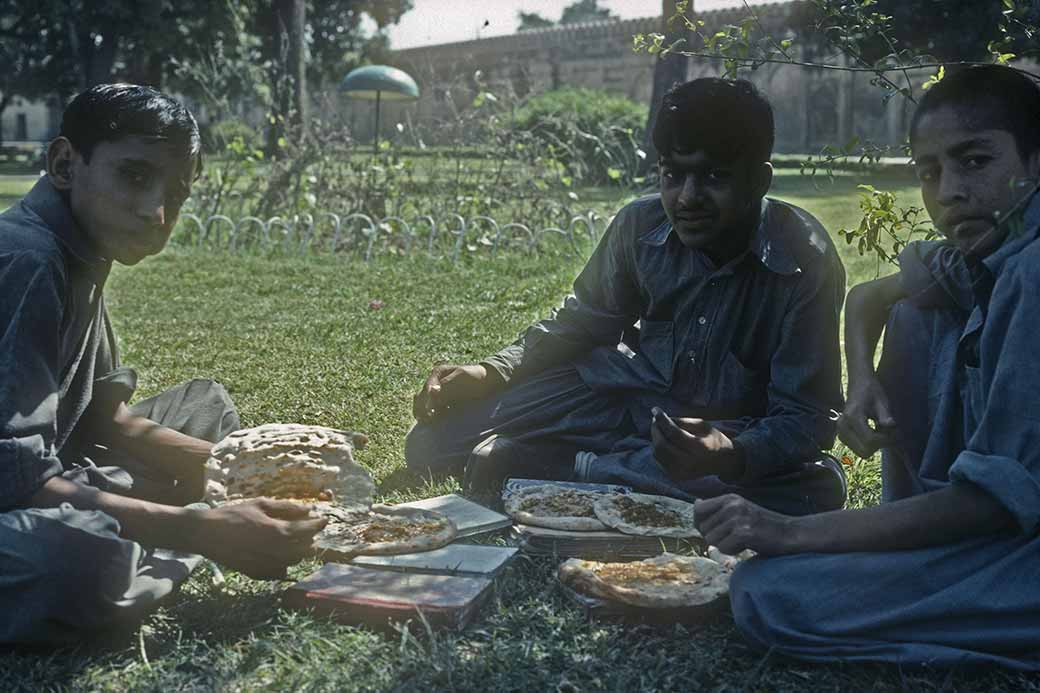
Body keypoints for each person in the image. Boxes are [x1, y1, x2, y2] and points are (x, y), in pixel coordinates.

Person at [719, 65, 1040, 670]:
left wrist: (789, 532)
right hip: (991, 529)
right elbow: (868, 298)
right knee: (914, 309)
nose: (949, 192)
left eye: (976, 161)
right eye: (930, 172)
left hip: (1016, 543)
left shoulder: (1033, 268)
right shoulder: (989, 248)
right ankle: (918, 549)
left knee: (771, 596)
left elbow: (994, 504)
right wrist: (861, 382)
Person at [406, 78, 848, 516]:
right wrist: (491, 370)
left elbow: (806, 415)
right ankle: (619, 465)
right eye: (673, 175)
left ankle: (570, 466)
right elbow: (582, 320)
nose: (688, 198)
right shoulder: (639, 224)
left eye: (715, 176)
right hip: (617, 400)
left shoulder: (804, 259)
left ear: (759, 180)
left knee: (814, 490)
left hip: (721, 432)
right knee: (431, 443)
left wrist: (731, 453)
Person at [0, 84, 325, 645]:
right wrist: (197, 529)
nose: (156, 212)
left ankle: (157, 528)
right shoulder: (29, 258)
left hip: (51, 466)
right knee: (82, 560)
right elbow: (16, 481)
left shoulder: (82, 246)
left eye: (176, 194)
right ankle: (163, 540)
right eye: (134, 176)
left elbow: (104, 415)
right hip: (18, 488)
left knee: (204, 406)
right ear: (64, 164)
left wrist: (234, 464)